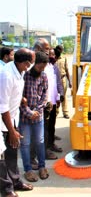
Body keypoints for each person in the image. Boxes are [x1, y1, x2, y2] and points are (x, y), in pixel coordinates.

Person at [0, 48, 33, 197]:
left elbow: (14, 92)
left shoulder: (20, 70)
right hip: (2, 117)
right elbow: (2, 107)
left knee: (13, 150)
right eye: (29, 63)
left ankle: (15, 181)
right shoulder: (6, 75)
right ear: (24, 63)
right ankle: (6, 189)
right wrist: (11, 131)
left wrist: (21, 99)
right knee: (0, 154)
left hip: (12, 116)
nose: (30, 66)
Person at [19, 51, 49, 182]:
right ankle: (28, 170)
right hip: (24, 117)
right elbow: (18, 98)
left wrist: (37, 111)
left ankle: (42, 167)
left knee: (40, 142)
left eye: (43, 68)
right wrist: (29, 113)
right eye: (40, 67)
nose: (41, 70)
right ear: (33, 64)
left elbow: (44, 96)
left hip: (39, 116)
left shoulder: (44, 76)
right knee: (25, 144)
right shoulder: (23, 76)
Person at [55, 46, 72, 119]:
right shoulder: (52, 59)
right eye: (59, 50)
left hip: (63, 79)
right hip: (54, 80)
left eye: (61, 50)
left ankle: (65, 112)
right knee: (55, 96)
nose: (60, 51)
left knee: (63, 96)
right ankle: (56, 112)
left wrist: (69, 81)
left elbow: (67, 70)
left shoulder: (64, 59)